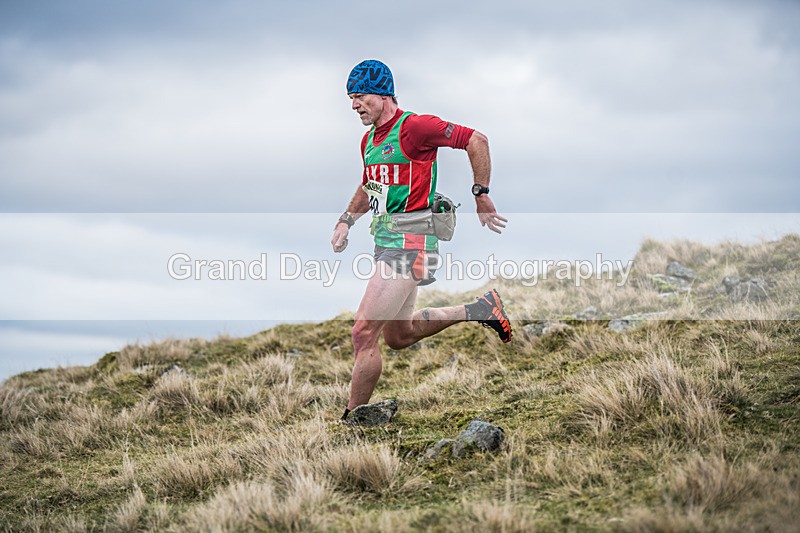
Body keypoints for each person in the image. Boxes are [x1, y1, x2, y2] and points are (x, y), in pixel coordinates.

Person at [331, 59, 512, 420]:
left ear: (383, 93)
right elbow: (371, 184)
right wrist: (346, 220)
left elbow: (476, 139)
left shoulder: (414, 128)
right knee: (400, 335)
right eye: (351, 98)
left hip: (411, 242)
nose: (354, 105)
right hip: (386, 242)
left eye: (361, 96)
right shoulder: (369, 140)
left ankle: (353, 419)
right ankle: (480, 309)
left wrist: (481, 193)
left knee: (363, 331)